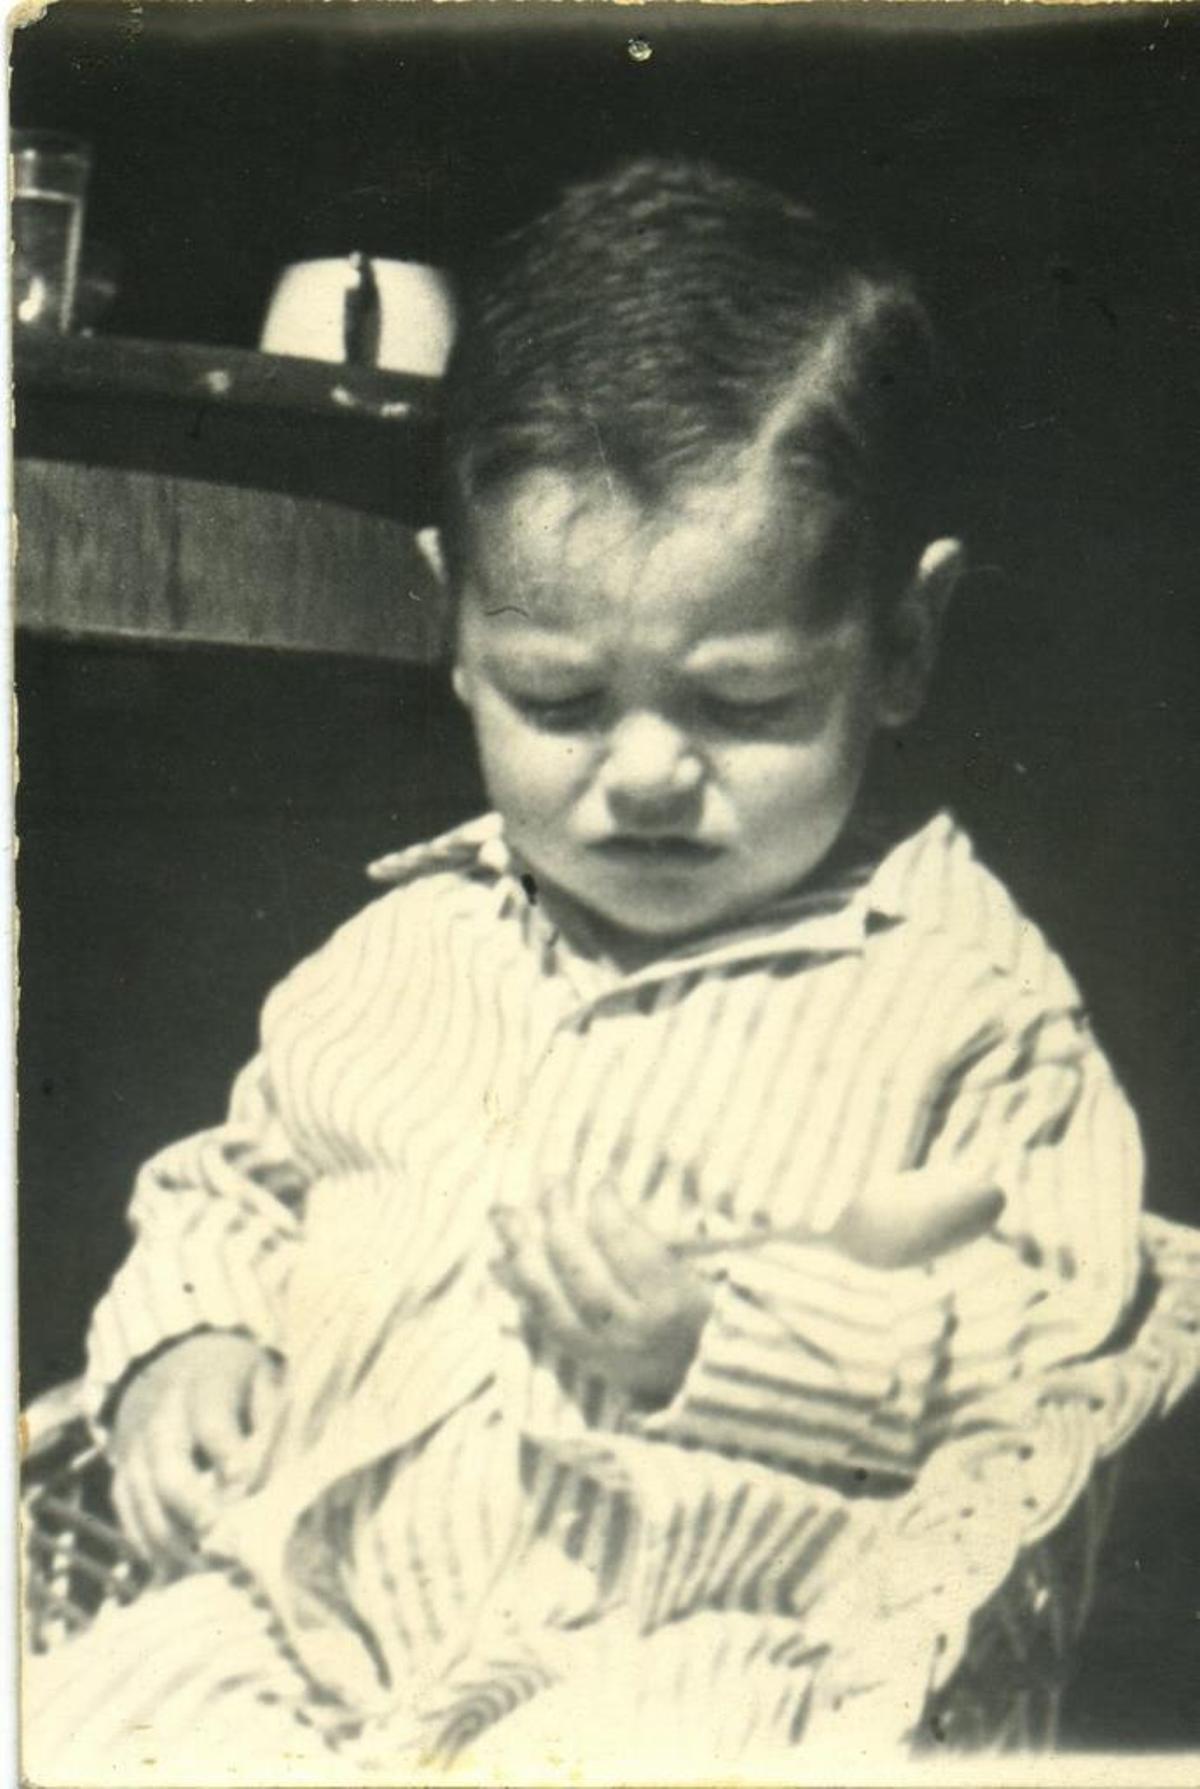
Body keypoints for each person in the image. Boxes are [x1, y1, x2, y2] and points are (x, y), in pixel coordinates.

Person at [23, 157, 1186, 1785]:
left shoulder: (963, 1008)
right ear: (454, 629)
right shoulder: (398, 953)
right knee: (83, 1712)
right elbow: (241, 1182)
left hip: (690, 1652)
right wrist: (187, 1345)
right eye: (560, 701)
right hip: (302, 1619)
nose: (644, 777)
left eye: (744, 704)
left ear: (903, 644)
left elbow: (1064, 1356)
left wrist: (729, 1338)